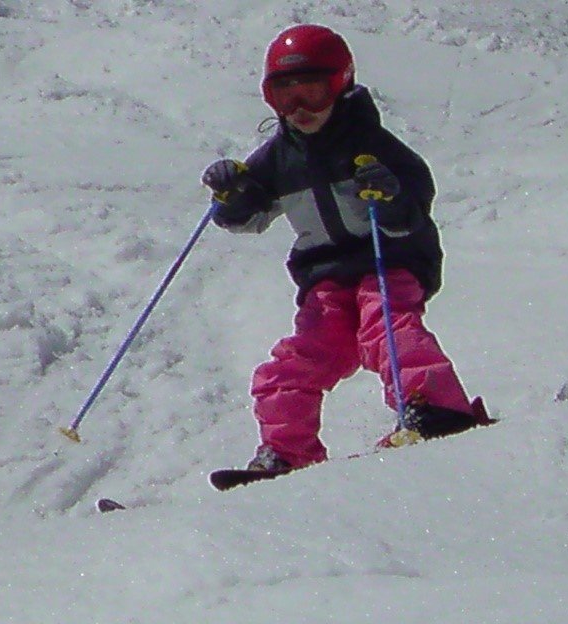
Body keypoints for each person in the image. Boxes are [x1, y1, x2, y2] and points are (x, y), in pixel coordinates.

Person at [201, 24, 491, 473]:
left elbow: (418, 201)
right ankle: (287, 452)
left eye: (313, 92)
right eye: (285, 95)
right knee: (296, 362)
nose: (300, 109)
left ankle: (438, 410)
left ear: (342, 84)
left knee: (387, 328)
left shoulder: (372, 146)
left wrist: (390, 197)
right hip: (326, 277)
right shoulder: (279, 157)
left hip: (388, 259)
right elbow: (247, 217)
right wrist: (233, 193)